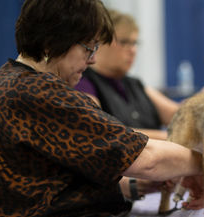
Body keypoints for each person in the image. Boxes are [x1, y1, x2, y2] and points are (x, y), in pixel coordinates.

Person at [0, 0, 202, 217]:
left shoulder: (9, 80)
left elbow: (57, 182)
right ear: (53, 39)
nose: (92, 59)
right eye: (87, 47)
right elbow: (148, 158)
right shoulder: (41, 94)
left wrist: (138, 186)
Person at [75, 9, 179, 141]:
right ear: (98, 43)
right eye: (124, 42)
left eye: (135, 43)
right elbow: (100, 128)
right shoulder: (82, 82)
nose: (133, 50)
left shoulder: (135, 84)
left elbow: (182, 116)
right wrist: (171, 137)